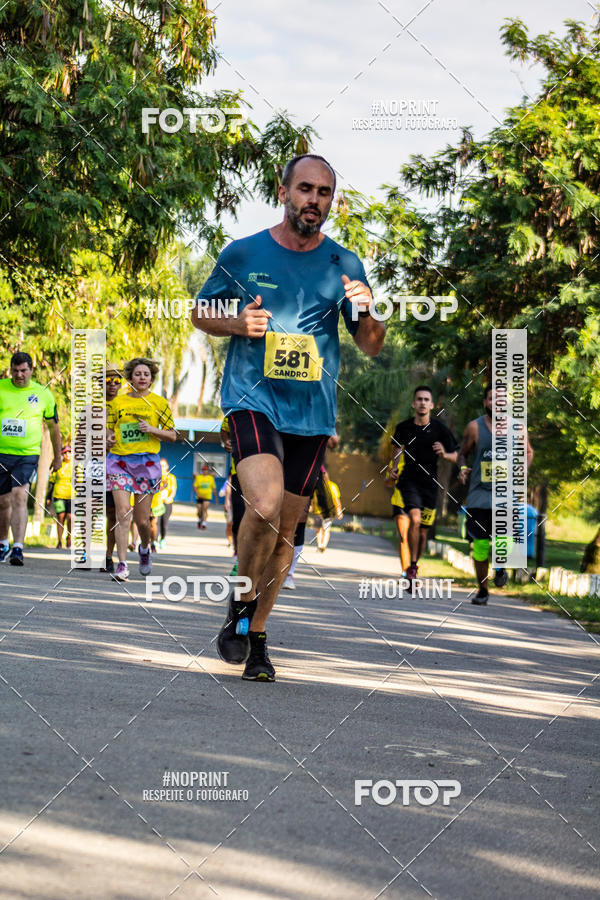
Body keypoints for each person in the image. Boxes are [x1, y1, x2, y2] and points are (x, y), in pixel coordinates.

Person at [192, 153, 384, 681]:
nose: (314, 201)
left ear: (331, 201)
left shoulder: (345, 265)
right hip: (253, 398)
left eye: (323, 193)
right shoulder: (245, 251)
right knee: (266, 502)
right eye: (305, 189)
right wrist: (238, 322)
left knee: (285, 530)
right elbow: (199, 312)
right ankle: (240, 602)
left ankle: (253, 633)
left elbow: (369, 345)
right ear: (283, 192)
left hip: (312, 412)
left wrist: (369, 310)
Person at [458, 384, 534, 604]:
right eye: (493, 399)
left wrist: (524, 468)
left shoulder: (518, 428)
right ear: (485, 403)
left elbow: (528, 451)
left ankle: (500, 568)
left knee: (504, 538)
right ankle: (483, 590)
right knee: (480, 545)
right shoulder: (474, 427)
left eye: (502, 399)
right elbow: (462, 454)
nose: (498, 403)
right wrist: (462, 469)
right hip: (479, 494)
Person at [106, 358, 176, 581]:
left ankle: (145, 548)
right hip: (119, 462)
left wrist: (152, 429)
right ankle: (122, 564)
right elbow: (109, 431)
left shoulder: (159, 403)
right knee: (122, 513)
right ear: (130, 378)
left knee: (142, 520)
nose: (142, 377)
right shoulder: (117, 403)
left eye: (146, 374)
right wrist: (108, 439)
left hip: (146, 464)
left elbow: (173, 435)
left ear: (152, 378)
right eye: (138, 374)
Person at [389, 386, 458, 587]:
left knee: (423, 532)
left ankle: (414, 565)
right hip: (409, 480)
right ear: (413, 403)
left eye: (426, 399)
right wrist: (394, 468)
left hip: (430, 483)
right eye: (419, 399)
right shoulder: (404, 427)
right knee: (415, 519)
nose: (422, 402)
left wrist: (445, 454)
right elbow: (396, 447)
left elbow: (457, 455)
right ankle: (411, 567)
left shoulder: (439, 429)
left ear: (432, 405)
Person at [0, 351, 62, 566]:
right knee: (2, 501)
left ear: (31, 370)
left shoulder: (43, 394)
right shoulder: (1, 389)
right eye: (15, 371)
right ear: (11, 370)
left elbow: (54, 428)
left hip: (27, 455)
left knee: (19, 495)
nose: (19, 375)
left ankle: (18, 547)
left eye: (23, 370)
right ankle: (2, 543)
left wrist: (58, 456)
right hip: (2, 453)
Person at [49, 445, 72, 548]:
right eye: (65, 453)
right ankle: (59, 541)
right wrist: (48, 497)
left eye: (69, 452)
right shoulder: (58, 466)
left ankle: (69, 537)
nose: (67, 454)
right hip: (59, 495)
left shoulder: (77, 466)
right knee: (60, 517)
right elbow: (52, 482)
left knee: (70, 517)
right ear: (62, 454)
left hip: (72, 496)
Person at [158, 458, 177, 548]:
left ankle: (163, 539)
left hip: (167, 503)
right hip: (156, 502)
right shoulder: (156, 476)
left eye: (164, 466)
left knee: (164, 523)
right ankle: (154, 540)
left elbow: (173, 489)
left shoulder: (171, 477)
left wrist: (170, 498)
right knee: (155, 523)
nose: (162, 467)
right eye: (160, 465)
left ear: (167, 466)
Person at [193, 464, 217, 529]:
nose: (205, 471)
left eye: (206, 470)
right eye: (204, 470)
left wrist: (216, 498)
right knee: (199, 511)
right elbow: (195, 487)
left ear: (208, 471)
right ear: (202, 471)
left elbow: (214, 488)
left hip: (207, 497)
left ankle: (204, 523)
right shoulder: (198, 477)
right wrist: (197, 494)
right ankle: (200, 519)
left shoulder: (211, 478)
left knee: (204, 509)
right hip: (199, 497)